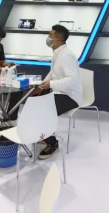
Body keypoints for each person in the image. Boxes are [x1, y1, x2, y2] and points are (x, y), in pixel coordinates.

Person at [30, 24, 83, 160]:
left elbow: (72, 79)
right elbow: (53, 73)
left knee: (43, 110)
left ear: (57, 40)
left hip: (69, 95)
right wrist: (41, 86)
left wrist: (50, 84)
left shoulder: (67, 56)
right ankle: (43, 134)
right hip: (58, 91)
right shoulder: (57, 53)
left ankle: (53, 143)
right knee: (33, 102)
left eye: (50, 35)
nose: (48, 38)